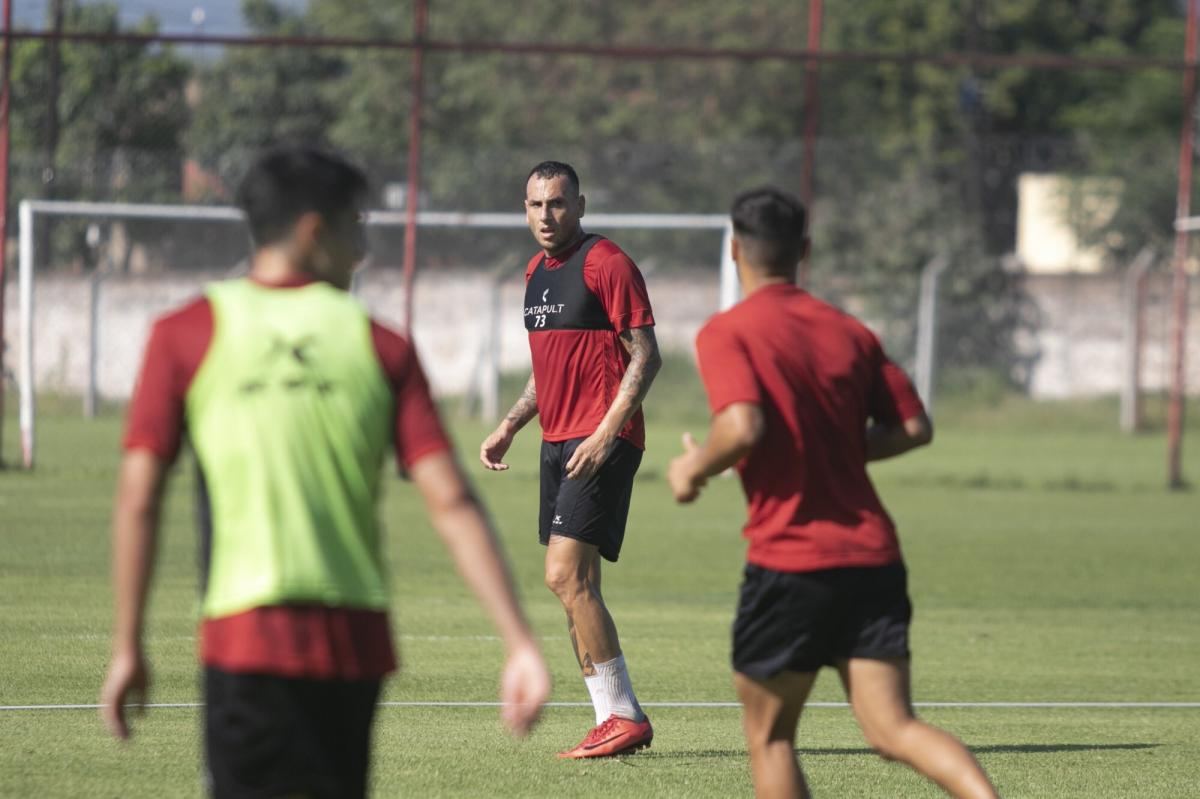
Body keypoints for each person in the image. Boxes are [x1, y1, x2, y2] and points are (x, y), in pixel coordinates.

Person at [99, 146, 550, 798]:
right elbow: (451, 501)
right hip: (354, 643)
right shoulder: (380, 344)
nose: (362, 250)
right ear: (314, 231)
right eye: (354, 228)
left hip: (243, 638)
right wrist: (519, 641)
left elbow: (139, 498)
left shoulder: (186, 333)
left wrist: (127, 645)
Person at [667, 187, 1000, 798]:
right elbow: (914, 427)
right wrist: (835, 449)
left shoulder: (728, 331)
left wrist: (692, 468)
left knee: (772, 738)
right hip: (872, 558)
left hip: (790, 561)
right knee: (894, 729)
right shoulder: (849, 331)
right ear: (805, 250)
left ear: (735, 249)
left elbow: (742, 427)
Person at [479, 161, 661, 759]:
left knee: (562, 576)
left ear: (580, 205)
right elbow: (548, 367)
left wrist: (607, 434)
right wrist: (510, 425)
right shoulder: (535, 272)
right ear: (524, 209)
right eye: (536, 205)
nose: (546, 216)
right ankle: (609, 718)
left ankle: (625, 716)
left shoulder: (607, 263)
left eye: (557, 203)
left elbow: (645, 356)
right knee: (576, 586)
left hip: (600, 439)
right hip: (556, 442)